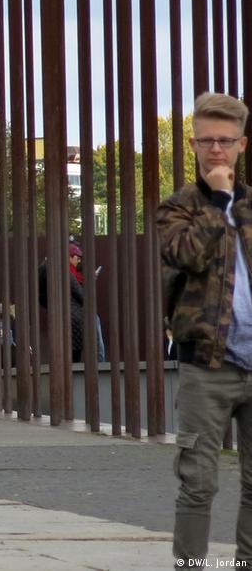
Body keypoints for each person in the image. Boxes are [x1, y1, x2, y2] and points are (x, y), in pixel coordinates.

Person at [158, 92, 252, 565]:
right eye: (207, 140)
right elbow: (188, 255)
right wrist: (219, 199)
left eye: (226, 140)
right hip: (206, 366)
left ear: (241, 145)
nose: (217, 149)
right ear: (193, 146)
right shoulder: (177, 208)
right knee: (198, 482)